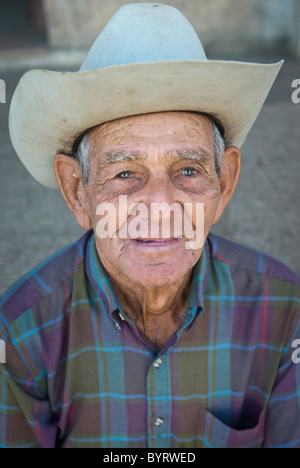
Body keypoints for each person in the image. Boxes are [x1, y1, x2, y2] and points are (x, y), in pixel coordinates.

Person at [0, 3, 299, 449]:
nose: (160, 205)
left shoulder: (282, 306)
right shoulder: (21, 332)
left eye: (189, 171)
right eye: (124, 175)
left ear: (226, 182)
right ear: (77, 191)